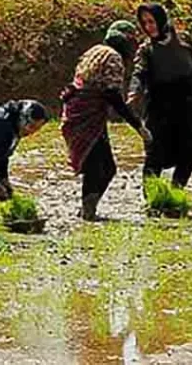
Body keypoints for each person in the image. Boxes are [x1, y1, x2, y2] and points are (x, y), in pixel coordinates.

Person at [61, 21, 152, 221]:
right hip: (88, 118)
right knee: (100, 168)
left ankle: (87, 209)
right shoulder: (113, 58)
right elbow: (113, 96)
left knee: (102, 167)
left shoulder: (95, 51)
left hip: (78, 115)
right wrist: (138, 126)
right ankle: (88, 212)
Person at [128, 3, 192, 190]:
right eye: (144, 23)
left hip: (187, 107)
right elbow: (139, 73)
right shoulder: (146, 50)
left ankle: (176, 193)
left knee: (188, 154)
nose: (148, 27)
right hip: (159, 110)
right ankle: (152, 196)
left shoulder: (184, 40)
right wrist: (134, 92)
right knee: (155, 155)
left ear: (161, 20)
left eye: (152, 21)